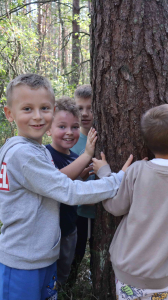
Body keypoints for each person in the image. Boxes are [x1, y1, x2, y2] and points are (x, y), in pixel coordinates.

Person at [0, 73, 132, 300]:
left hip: (39, 256)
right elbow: (69, 192)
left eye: (44, 108)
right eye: (27, 109)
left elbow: (55, 186)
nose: (38, 116)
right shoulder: (23, 154)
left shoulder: (32, 149)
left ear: (52, 110)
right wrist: (117, 179)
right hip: (23, 263)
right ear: (9, 113)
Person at [92, 104, 168, 300]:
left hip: (129, 272)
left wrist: (105, 174)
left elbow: (115, 207)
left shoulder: (137, 170)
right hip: (164, 277)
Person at [45, 96, 94, 285]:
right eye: (62, 127)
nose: (69, 132)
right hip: (49, 232)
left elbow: (70, 183)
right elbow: (57, 180)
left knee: (64, 273)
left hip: (69, 228)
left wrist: (80, 176)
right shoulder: (45, 154)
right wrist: (87, 154)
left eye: (75, 127)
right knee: (49, 274)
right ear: (48, 128)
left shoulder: (74, 157)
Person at [68, 84, 96, 286]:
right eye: (80, 108)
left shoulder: (105, 137)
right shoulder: (71, 138)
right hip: (76, 210)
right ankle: (67, 287)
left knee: (98, 250)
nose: (85, 113)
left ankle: (97, 283)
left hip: (100, 212)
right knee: (75, 251)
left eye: (90, 107)